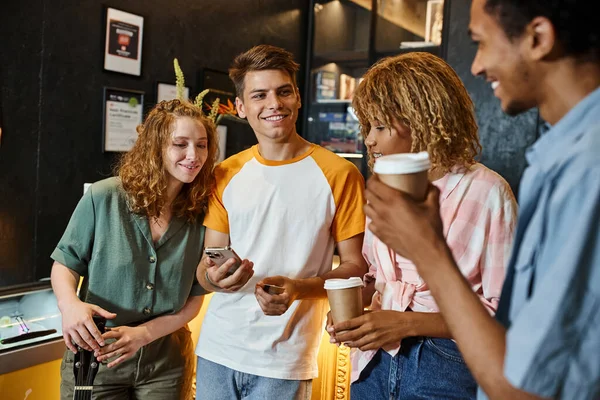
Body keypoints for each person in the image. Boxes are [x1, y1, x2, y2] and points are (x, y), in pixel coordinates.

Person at [359, 0, 600, 399]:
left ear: (539, 38)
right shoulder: (552, 160)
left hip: (445, 365)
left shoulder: (577, 169)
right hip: (377, 363)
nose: (475, 66)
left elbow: (527, 376)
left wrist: (427, 249)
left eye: (481, 42)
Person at [327, 52, 518, 399]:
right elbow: (374, 279)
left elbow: (505, 315)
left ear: (422, 120)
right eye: (367, 127)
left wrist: (407, 323)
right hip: (373, 364)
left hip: (448, 364)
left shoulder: (488, 192)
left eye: (380, 126)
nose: (369, 140)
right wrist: (351, 312)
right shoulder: (383, 189)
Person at [194, 44, 368, 400]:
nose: (274, 103)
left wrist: (299, 288)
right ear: (241, 107)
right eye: (259, 95)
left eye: (283, 91)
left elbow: (355, 268)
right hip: (217, 351)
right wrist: (214, 278)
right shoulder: (225, 173)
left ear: (298, 97)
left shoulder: (340, 174)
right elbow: (206, 265)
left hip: (285, 362)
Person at [50, 99, 220, 399]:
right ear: (155, 147)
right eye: (180, 144)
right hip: (96, 358)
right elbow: (65, 262)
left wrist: (144, 334)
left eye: (202, 145)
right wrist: (69, 305)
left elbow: (195, 295)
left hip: (167, 363)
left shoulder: (204, 211)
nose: (194, 156)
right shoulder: (104, 197)